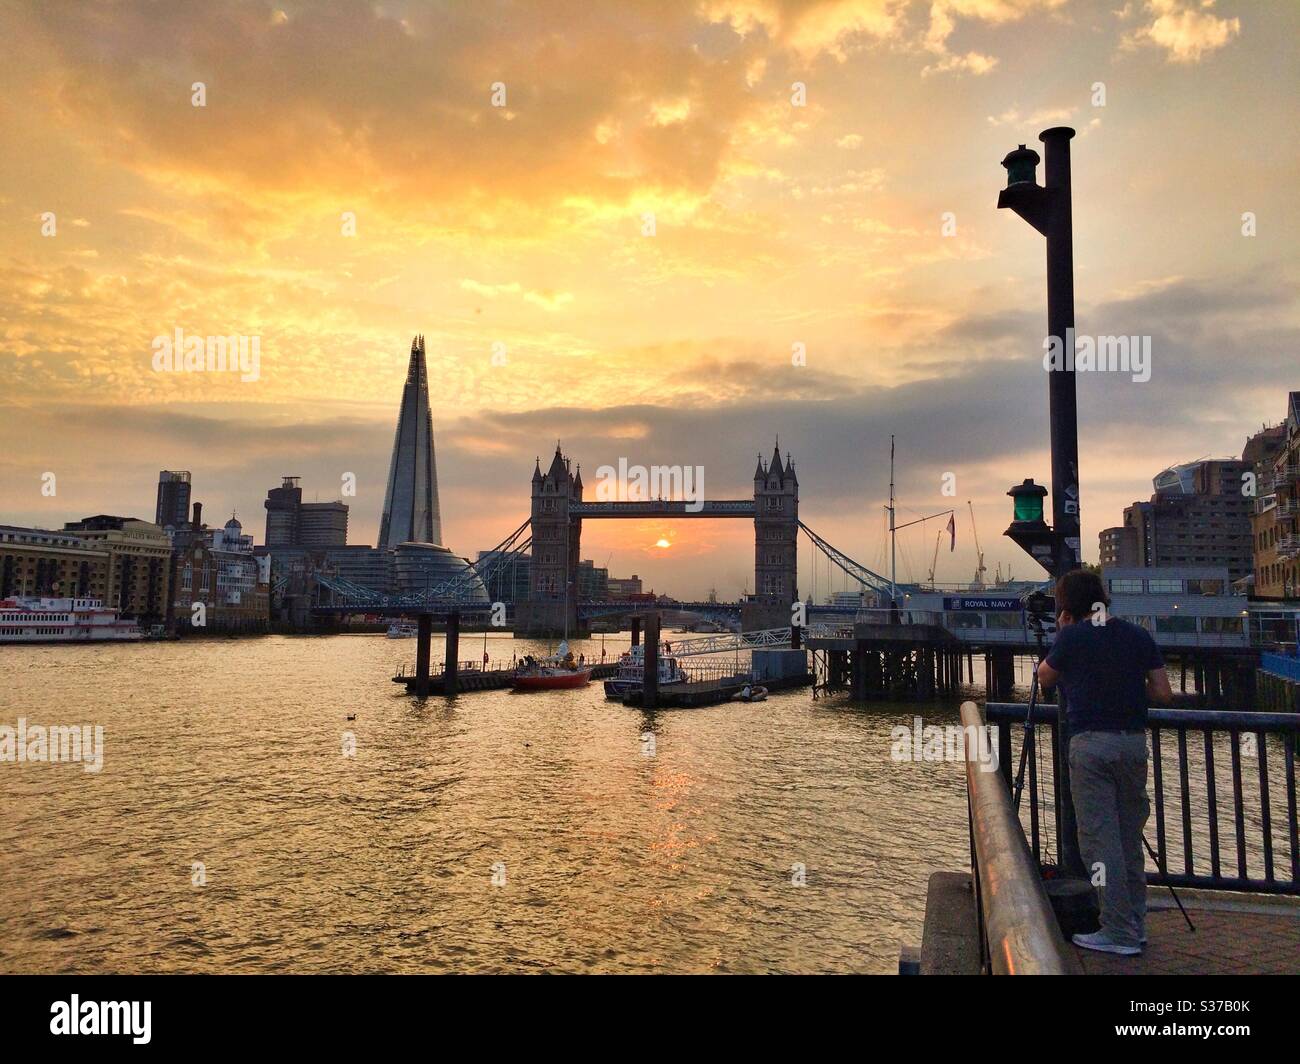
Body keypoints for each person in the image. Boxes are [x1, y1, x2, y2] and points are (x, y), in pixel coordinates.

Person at [1037, 568, 1172, 956]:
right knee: (1129, 839)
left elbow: (1044, 678)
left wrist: (1063, 636)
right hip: (1133, 745)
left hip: (1091, 745)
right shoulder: (1136, 634)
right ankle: (1135, 923)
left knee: (1100, 843)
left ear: (1066, 605)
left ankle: (1117, 930)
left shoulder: (1073, 636)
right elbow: (1163, 693)